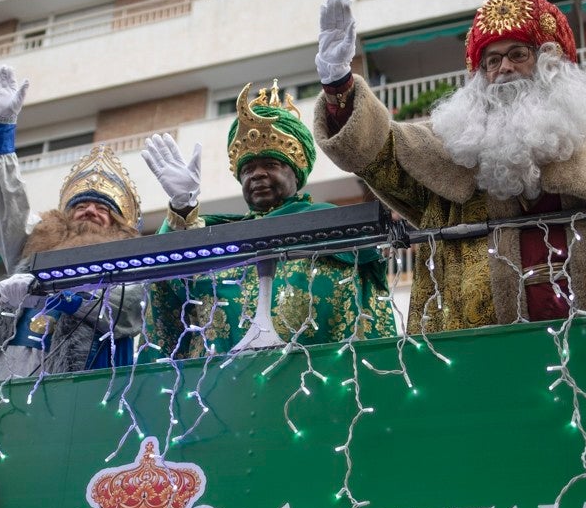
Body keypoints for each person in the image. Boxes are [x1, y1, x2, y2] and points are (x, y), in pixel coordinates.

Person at [311, 0, 586, 333]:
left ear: (549, 64)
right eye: (492, 60)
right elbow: (383, 151)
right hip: (484, 355)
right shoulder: (453, 145)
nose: (503, 69)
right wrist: (338, 84)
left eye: (518, 54)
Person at [142, 81, 396, 359]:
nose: (257, 174)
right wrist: (183, 207)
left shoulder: (331, 225)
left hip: (316, 379)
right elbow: (173, 282)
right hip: (222, 386)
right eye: (248, 169)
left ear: (295, 173)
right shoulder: (219, 238)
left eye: (271, 165)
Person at [0, 65, 144, 380]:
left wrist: (60, 298)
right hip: (4, 376)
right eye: (82, 205)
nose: (91, 210)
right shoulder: (36, 245)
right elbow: (5, 204)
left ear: (118, 224)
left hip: (77, 389)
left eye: (102, 208)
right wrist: (1, 129)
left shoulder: (128, 265)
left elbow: (127, 311)